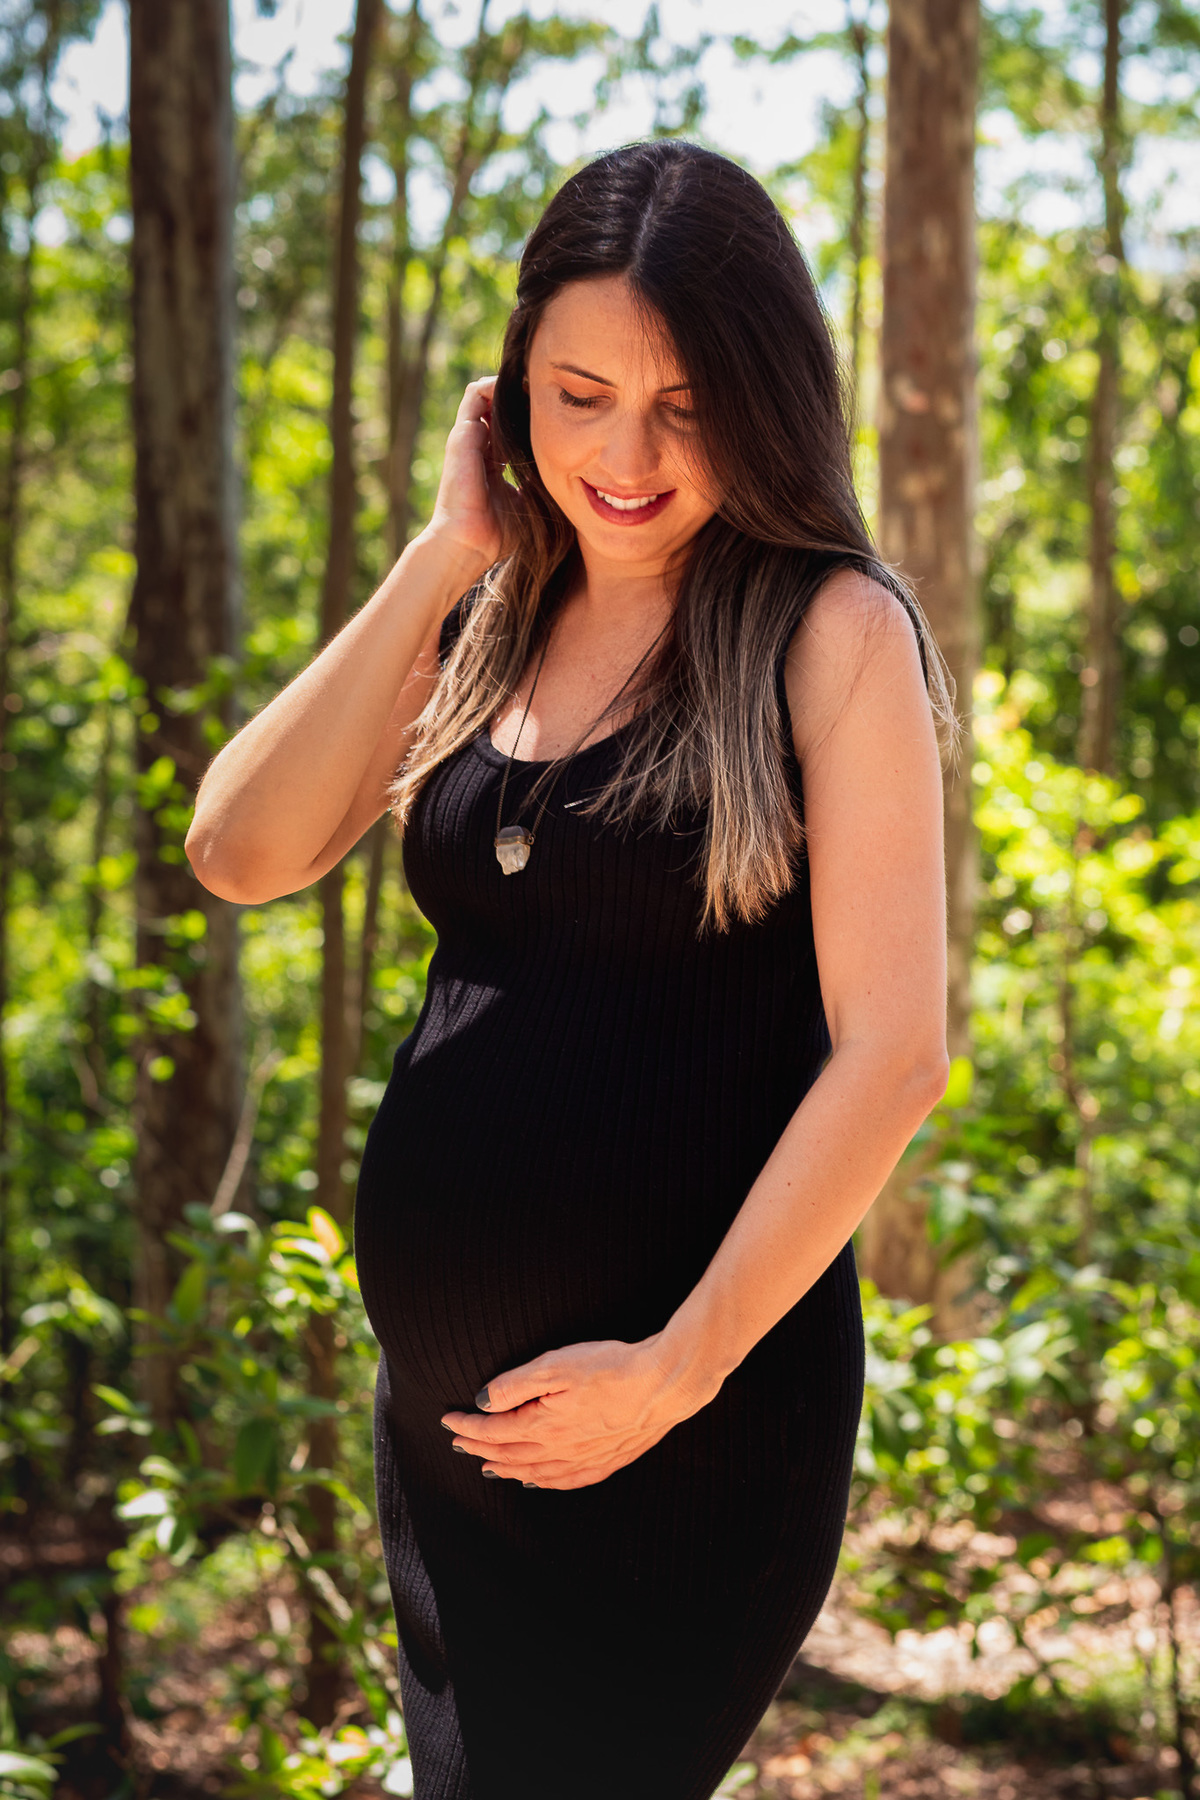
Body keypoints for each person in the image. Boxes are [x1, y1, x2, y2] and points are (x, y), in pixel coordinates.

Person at [186, 139, 957, 1800]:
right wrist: (443, 554)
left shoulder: (828, 634)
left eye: (684, 405)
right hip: (451, 1469)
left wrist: (670, 1375)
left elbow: (894, 1054)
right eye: (578, 392)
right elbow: (242, 852)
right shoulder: (496, 615)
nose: (625, 453)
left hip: (685, 1445)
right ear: (508, 387)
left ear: (763, 399)